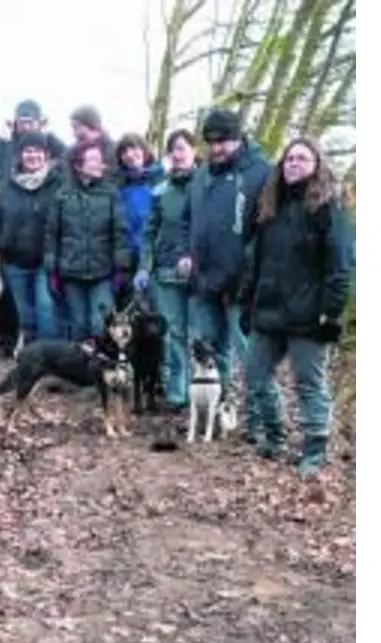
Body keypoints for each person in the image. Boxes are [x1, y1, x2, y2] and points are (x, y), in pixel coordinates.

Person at [240, 137, 354, 476]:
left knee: (309, 383)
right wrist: (249, 303)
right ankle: (274, 436)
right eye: (289, 158)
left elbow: (340, 266)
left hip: (309, 316)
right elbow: (255, 262)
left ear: (317, 164)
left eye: (302, 158)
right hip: (269, 311)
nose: (293, 163)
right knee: (255, 375)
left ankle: (314, 450)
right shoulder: (269, 207)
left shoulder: (329, 209)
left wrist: (329, 313)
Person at [180, 106, 272, 439]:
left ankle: (261, 422)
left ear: (239, 138)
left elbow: (266, 231)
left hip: (243, 284)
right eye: (211, 141)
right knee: (212, 352)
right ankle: (221, 413)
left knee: (250, 356)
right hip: (204, 280)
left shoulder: (261, 172)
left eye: (224, 141)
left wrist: (248, 271)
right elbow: (190, 221)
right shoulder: (202, 173)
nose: (216, 148)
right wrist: (187, 255)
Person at [0, 100, 68, 357]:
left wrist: (47, 133)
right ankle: (10, 342)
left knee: (45, 306)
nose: (26, 125)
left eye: (31, 121)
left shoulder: (52, 163)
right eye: (22, 121)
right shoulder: (7, 148)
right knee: (13, 300)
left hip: (44, 253)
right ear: (15, 122)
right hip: (13, 246)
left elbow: (67, 156)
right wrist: (1, 242)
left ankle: (49, 357)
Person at [135, 128, 200, 411]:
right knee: (173, 333)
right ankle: (176, 393)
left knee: (199, 334)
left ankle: (206, 394)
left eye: (183, 148)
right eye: (173, 149)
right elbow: (149, 233)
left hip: (200, 276)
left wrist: (195, 256)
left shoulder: (207, 186)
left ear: (195, 152)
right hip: (164, 273)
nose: (178, 154)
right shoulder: (160, 191)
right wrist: (144, 267)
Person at [45, 141, 131, 340]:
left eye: (101, 160)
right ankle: (81, 369)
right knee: (79, 325)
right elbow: (52, 234)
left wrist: (121, 268)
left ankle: (103, 367)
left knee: (100, 324)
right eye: (93, 159)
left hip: (102, 272)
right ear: (78, 165)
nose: (99, 164)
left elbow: (120, 232)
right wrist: (52, 270)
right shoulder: (63, 194)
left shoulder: (111, 193)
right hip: (71, 272)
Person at [113, 133, 163, 309]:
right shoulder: (119, 185)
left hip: (155, 258)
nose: (129, 154)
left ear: (144, 150)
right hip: (128, 259)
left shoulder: (161, 179)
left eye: (133, 148)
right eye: (124, 151)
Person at [67, 105, 122, 187]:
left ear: (92, 125)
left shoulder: (116, 152)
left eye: (76, 127)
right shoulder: (71, 154)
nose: (74, 133)